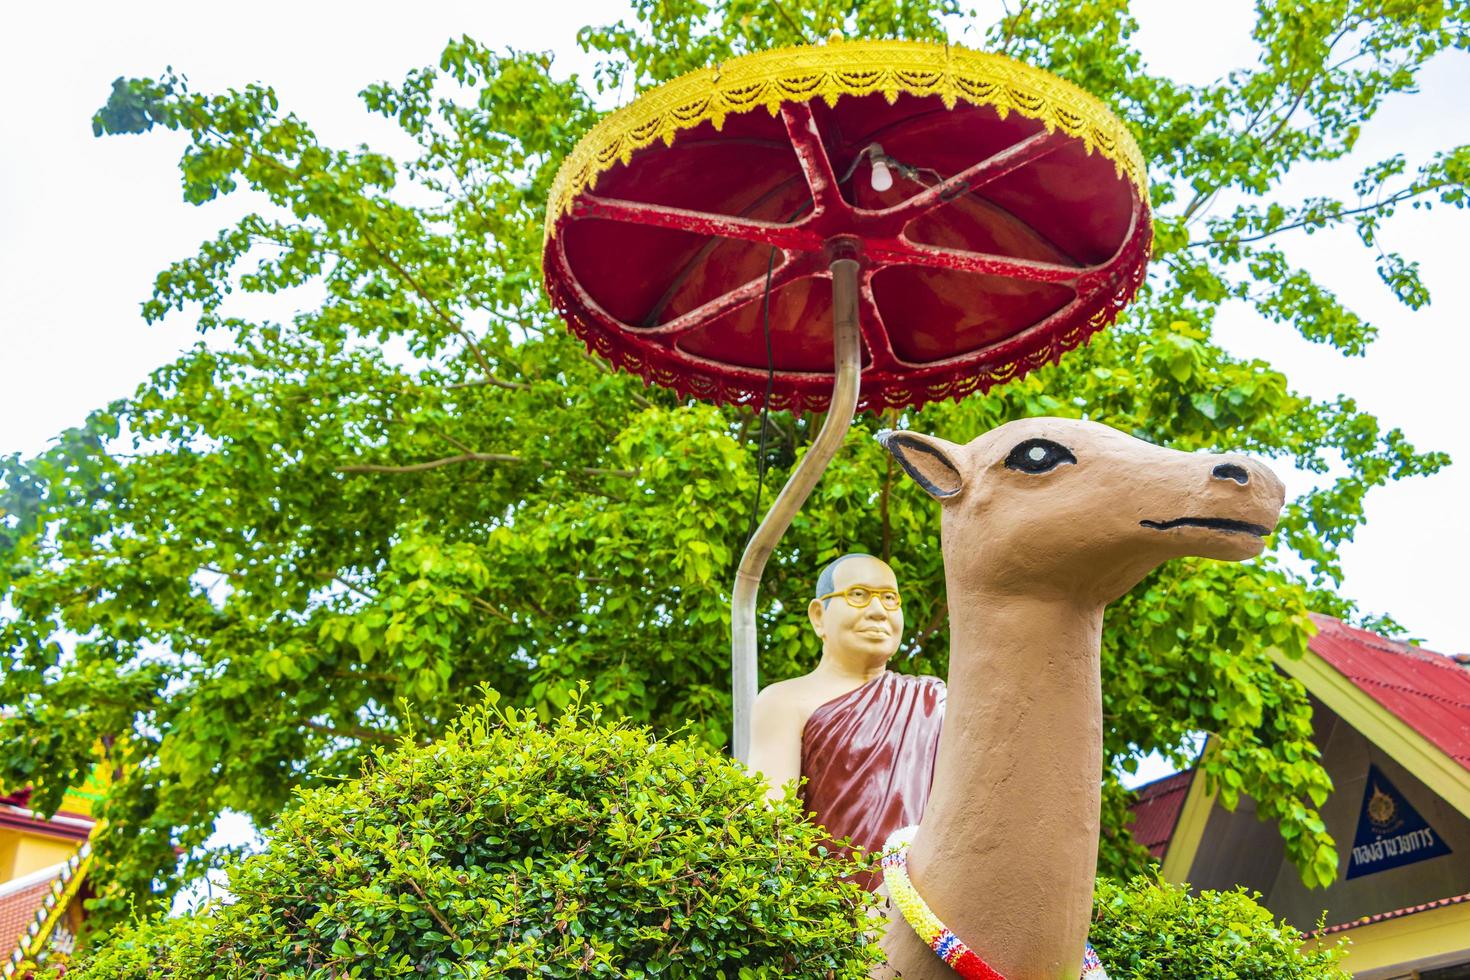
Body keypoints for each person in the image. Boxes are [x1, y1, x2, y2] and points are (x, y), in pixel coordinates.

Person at [748, 553, 945, 878]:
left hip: (924, 904)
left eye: (889, 598)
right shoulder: (785, 701)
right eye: (858, 595)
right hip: (828, 913)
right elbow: (769, 827)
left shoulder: (932, 701)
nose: (878, 611)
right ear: (818, 616)